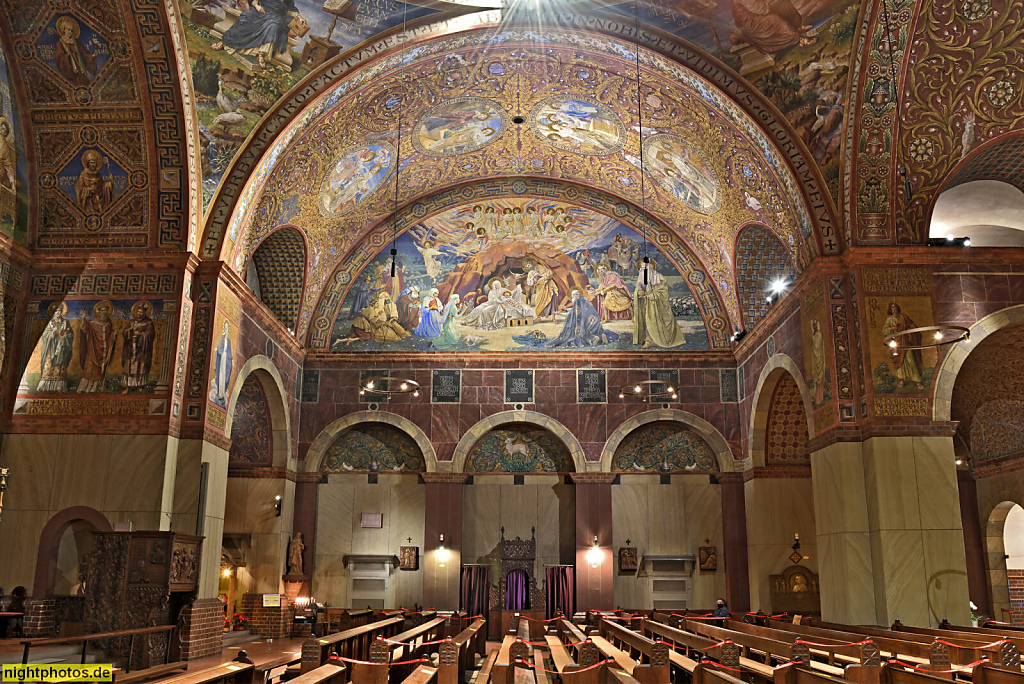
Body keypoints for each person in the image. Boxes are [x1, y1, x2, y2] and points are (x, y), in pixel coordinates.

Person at [211, 0, 303, 69]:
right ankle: (225, 42)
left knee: (273, 25)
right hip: (260, 11)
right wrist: (257, 6)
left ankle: (261, 55)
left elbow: (291, 9)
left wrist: (299, 17)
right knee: (246, 17)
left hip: (274, 17)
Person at [633, 260, 687, 348]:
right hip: (645, 305)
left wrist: (648, 296)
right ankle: (648, 339)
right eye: (641, 269)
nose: (643, 271)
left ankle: (653, 340)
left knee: (653, 322)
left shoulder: (659, 278)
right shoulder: (641, 278)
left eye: (646, 268)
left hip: (656, 306)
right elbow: (638, 290)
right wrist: (638, 293)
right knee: (646, 322)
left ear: (652, 267)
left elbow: (663, 293)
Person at [546, 288, 619, 348]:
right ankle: (600, 336)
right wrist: (566, 309)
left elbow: (573, 314)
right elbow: (576, 310)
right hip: (594, 322)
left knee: (578, 333)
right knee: (585, 329)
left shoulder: (577, 300)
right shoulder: (584, 299)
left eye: (572, 295)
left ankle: (593, 338)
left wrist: (561, 313)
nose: (572, 297)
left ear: (575, 295)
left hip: (586, 323)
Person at [882, 302, 925, 390]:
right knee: (900, 362)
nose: (894, 309)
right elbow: (884, 330)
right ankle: (901, 380)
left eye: (895, 307)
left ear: (898, 308)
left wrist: (906, 328)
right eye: (892, 307)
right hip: (897, 343)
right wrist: (892, 328)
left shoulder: (903, 317)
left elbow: (912, 325)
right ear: (890, 309)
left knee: (911, 360)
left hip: (905, 341)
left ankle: (917, 381)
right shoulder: (889, 320)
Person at [78, 300, 116, 393]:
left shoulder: (109, 323)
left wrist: (113, 334)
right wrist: (83, 318)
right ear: (98, 311)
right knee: (90, 368)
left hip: (104, 350)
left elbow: (110, 334)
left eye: (105, 310)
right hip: (93, 349)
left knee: (100, 371)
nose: (104, 312)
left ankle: (97, 387)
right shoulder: (93, 323)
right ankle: (85, 387)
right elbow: (85, 329)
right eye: (102, 310)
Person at [38, 302, 74, 393]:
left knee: (60, 367)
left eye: (59, 311)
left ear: (62, 312)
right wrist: (52, 333)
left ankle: (59, 387)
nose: (58, 312)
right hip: (51, 347)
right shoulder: (49, 323)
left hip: (62, 347)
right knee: (48, 365)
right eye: (56, 311)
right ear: (53, 312)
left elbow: (71, 335)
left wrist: (65, 336)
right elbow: (44, 335)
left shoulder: (65, 322)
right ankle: (44, 386)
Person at [122, 300, 156, 393]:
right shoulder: (132, 322)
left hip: (141, 348)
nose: (139, 314)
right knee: (129, 366)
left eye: (141, 312)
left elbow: (150, 335)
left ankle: (138, 385)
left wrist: (141, 335)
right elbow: (125, 331)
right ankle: (128, 386)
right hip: (131, 348)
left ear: (145, 313)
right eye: (138, 312)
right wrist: (129, 331)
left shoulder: (148, 323)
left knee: (140, 366)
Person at [54, 15, 98, 86]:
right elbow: (59, 58)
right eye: (68, 30)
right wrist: (67, 55)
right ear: (64, 30)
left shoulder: (76, 42)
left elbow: (83, 53)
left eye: (72, 30)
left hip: (80, 69)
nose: (70, 32)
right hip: (70, 70)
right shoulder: (60, 43)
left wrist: (92, 56)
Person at [75, 150, 113, 214]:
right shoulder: (83, 175)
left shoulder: (98, 175)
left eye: (94, 163)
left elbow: (102, 187)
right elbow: (78, 188)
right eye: (91, 163)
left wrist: (109, 184)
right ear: (88, 163)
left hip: (98, 201)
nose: (93, 165)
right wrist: (88, 190)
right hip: (88, 202)